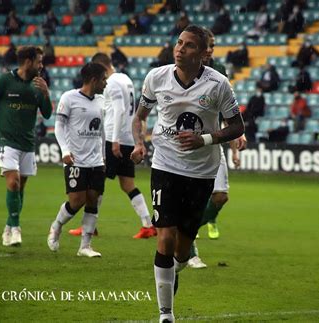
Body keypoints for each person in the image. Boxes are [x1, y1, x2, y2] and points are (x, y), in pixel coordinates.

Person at [130, 25, 244, 322]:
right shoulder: (156, 77)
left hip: (202, 172)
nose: (180, 49)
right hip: (165, 165)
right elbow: (139, 117)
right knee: (164, 239)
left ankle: (173, 270)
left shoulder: (218, 84)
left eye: (189, 45)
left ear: (204, 53)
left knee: (181, 251)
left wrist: (204, 139)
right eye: (179, 42)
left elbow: (237, 127)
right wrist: (140, 143)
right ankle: (166, 314)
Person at [68, 53, 156, 239]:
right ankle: (148, 224)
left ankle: (89, 226)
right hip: (128, 138)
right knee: (128, 184)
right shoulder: (126, 78)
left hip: (113, 138)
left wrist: (114, 140)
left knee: (96, 183)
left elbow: (119, 110)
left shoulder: (113, 82)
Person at [0, 46, 52, 247]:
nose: (41, 65)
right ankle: (16, 227)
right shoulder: (4, 81)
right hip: (6, 141)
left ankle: (9, 226)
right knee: (13, 182)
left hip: (27, 142)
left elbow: (46, 114)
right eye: (39, 61)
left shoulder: (38, 85)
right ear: (28, 62)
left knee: (21, 187)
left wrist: (46, 94)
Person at [188, 27, 247, 269]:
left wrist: (235, 141)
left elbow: (228, 111)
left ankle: (185, 231)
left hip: (213, 141)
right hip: (186, 146)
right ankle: (189, 250)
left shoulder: (219, 72)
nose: (211, 50)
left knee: (220, 197)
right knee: (191, 199)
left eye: (213, 45)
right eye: (207, 45)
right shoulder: (179, 70)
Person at [47, 62, 107, 257]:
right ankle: (56, 226)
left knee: (93, 201)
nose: (106, 83)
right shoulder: (69, 98)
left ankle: (85, 246)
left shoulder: (101, 101)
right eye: (103, 79)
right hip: (76, 159)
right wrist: (64, 150)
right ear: (94, 80)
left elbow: (102, 131)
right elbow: (59, 126)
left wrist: (104, 156)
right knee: (76, 200)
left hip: (96, 161)